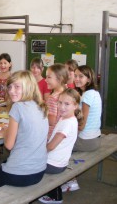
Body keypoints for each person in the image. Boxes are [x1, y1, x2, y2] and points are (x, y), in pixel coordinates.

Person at [0, 70, 48, 191]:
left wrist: (6, 132)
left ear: (29, 87)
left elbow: (9, 145)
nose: (11, 91)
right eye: (9, 87)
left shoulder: (18, 107)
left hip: (22, 174)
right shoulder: (41, 106)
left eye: (17, 87)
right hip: (40, 170)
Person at [61, 65, 102, 193]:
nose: (77, 79)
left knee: (58, 146)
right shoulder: (93, 93)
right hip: (94, 137)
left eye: (81, 76)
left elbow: (82, 124)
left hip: (87, 140)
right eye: (76, 75)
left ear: (89, 79)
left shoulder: (87, 96)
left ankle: (70, 181)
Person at [38, 88, 82, 204]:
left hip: (53, 164)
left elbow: (51, 146)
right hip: (59, 162)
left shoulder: (67, 123)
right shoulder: (68, 118)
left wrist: (38, 151)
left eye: (67, 104)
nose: (62, 107)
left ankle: (55, 197)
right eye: (60, 102)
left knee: (25, 161)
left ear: (75, 106)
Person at [45, 63, 69, 139]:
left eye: (49, 77)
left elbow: (51, 121)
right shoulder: (67, 93)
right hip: (62, 133)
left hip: (51, 135)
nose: (46, 80)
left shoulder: (53, 98)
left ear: (60, 79)